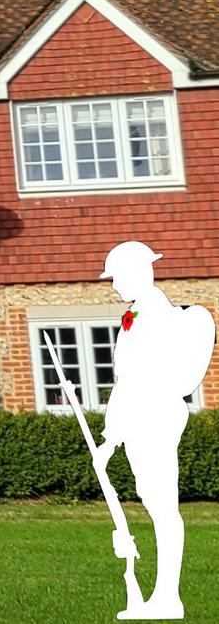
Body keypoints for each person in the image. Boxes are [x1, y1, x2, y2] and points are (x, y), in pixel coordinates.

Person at [91, 240, 213, 620]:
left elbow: (140, 381)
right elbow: (124, 381)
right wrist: (111, 438)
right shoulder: (135, 318)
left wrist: (114, 434)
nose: (114, 286)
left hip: (156, 415)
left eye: (118, 278)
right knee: (153, 500)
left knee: (162, 506)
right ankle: (162, 596)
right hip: (139, 416)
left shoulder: (158, 318)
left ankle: (167, 597)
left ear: (139, 273)